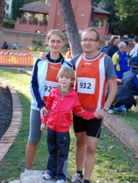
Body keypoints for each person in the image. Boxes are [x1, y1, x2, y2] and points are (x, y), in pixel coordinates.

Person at [70, 27, 117, 183]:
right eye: (84, 39)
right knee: (80, 142)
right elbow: (61, 72)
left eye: (91, 39)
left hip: (95, 113)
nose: (87, 42)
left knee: (91, 147)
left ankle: (87, 179)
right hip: (78, 113)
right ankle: (78, 173)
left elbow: (113, 87)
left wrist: (105, 109)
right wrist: (44, 57)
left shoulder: (106, 60)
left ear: (97, 42)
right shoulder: (76, 60)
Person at [24, 29, 72, 173]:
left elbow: (70, 89)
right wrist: (40, 105)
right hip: (39, 107)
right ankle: (27, 171)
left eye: (58, 41)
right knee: (33, 140)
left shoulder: (67, 66)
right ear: (48, 42)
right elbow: (33, 84)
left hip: (58, 111)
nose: (55, 44)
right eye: (52, 41)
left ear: (63, 43)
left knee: (59, 143)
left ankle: (57, 173)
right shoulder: (40, 61)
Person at [41, 67, 96, 183]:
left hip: (63, 131)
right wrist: (43, 122)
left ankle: (61, 176)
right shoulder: (53, 93)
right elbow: (47, 109)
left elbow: (79, 110)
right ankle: (51, 171)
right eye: (61, 77)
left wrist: (93, 115)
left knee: (62, 154)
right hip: (51, 128)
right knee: (52, 151)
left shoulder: (73, 95)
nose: (63, 80)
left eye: (67, 78)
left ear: (72, 80)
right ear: (58, 78)